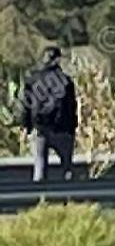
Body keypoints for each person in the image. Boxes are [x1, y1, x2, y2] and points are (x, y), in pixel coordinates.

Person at [21, 46, 78, 183]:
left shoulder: (32, 80)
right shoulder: (65, 80)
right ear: (57, 60)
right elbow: (71, 106)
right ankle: (70, 197)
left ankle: (40, 198)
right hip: (62, 128)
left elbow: (26, 106)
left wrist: (26, 126)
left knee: (39, 164)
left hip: (40, 128)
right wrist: (72, 127)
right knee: (67, 168)